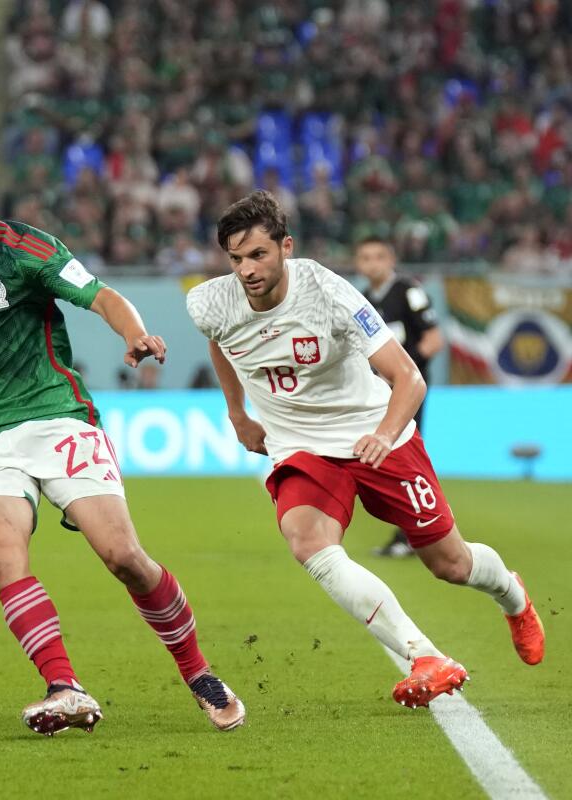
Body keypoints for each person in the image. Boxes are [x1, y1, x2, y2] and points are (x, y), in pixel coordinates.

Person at [0, 138, 244, 735]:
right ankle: (64, 688)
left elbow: (101, 295)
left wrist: (135, 333)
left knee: (123, 557)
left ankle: (199, 671)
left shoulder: (26, 250)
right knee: (4, 555)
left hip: (56, 417)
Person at [186, 191, 544, 709]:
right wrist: (238, 412)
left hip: (377, 433)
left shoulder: (331, 294)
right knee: (306, 540)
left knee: (451, 564)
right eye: (236, 258)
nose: (246, 269)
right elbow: (219, 339)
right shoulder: (209, 301)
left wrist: (383, 433)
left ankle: (512, 595)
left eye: (258, 255)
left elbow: (409, 378)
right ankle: (425, 656)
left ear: (286, 247)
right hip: (301, 445)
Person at [354, 237, 444, 558]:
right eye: (365, 257)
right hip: (377, 394)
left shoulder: (408, 292)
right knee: (387, 459)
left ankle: (420, 529)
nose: (372, 263)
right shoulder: (361, 301)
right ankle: (411, 530)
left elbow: (434, 340)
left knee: (405, 456)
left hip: (407, 390)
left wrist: (403, 372)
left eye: (378, 256)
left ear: (391, 259)